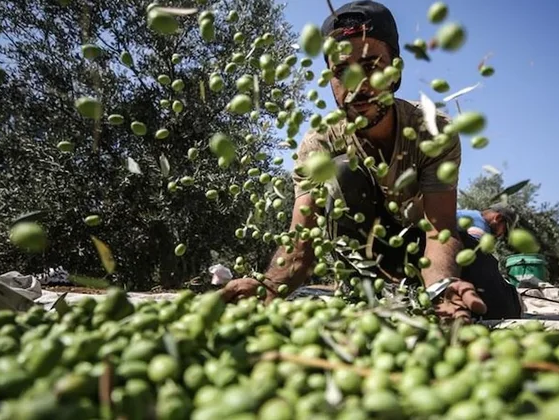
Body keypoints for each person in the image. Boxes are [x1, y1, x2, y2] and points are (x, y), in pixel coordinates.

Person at [221, 1, 519, 322]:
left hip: (422, 241)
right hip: (365, 253)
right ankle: (363, 287)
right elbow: (302, 240)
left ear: (396, 71)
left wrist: (440, 285)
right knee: (342, 169)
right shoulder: (319, 144)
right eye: (341, 71)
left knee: (495, 305)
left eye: (371, 65)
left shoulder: (432, 132)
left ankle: (507, 292)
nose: (357, 85)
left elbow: (438, 229)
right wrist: (270, 286)